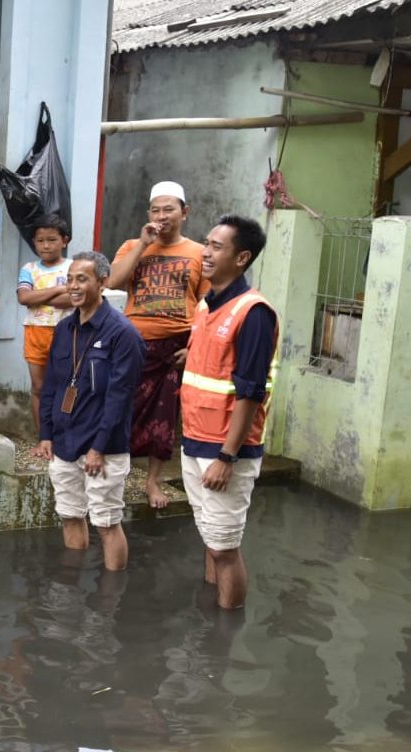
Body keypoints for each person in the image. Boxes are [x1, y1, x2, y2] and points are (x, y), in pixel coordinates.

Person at [179, 214, 277, 610]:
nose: (205, 252)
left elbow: (250, 392)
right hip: (195, 439)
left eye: (216, 247)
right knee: (210, 538)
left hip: (224, 450)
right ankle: (211, 617)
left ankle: (227, 630)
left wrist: (227, 457)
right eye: (207, 243)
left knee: (224, 548)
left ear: (242, 258)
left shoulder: (253, 312)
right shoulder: (207, 305)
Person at [35, 252, 144, 571]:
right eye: (69, 279)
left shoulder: (122, 333)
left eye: (81, 279)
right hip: (64, 442)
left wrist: (98, 447)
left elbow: (120, 398)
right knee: (70, 515)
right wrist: (46, 434)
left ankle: (111, 595)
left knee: (107, 522)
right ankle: (70, 586)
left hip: (102, 447)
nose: (73, 286)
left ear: (103, 282)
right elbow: (51, 385)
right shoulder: (64, 329)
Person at [107, 181, 208, 509]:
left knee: (165, 418)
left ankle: (152, 481)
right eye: (155, 210)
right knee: (120, 408)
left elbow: (207, 306)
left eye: (169, 209)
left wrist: (194, 348)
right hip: (134, 343)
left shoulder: (199, 253)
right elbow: (113, 281)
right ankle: (115, 475)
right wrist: (142, 245)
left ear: (184, 212)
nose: (162, 216)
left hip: (176, 346)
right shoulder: (132, 245)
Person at [17, 215, 75, 432]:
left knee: (66, 385)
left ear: (64, 240)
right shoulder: (29, 268)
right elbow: (24, 297)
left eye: (52, 240)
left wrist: (38, 297)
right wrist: (59, 289)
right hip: (36, 332)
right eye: (40, 241)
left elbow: (71, 300)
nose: (46, 246)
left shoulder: (73, 267)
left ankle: (64, 435)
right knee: (39, 387)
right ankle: (44, 437)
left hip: (67, 332)